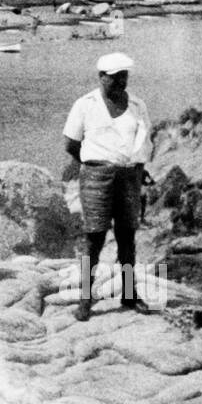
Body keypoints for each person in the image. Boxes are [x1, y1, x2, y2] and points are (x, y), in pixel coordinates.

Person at [63, 53, 152, 321]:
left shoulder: (137, 105)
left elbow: (145, 141)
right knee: (95, 238)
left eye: (124, 76)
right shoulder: (85, 105)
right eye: (115, 77)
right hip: (96, 176)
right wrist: (96, 165)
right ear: (101, 77)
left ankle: (128, 292)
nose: (121, 82)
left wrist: (136, 169)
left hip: (129, 177)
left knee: (127, 237)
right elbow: (71, 144)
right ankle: (85, 298)